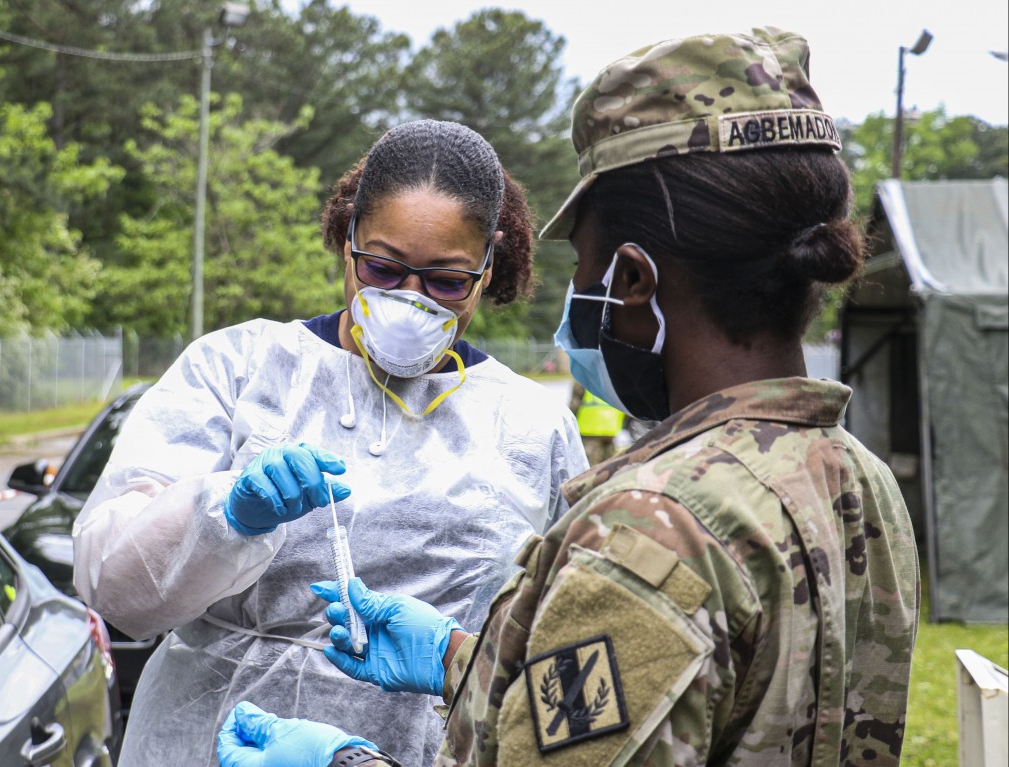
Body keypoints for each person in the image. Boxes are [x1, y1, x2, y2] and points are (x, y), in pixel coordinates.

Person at [217, 28, 919, 767]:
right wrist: (461, 658)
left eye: (583, 264)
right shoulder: (857, 482)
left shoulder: (654, 530)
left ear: (634, 281)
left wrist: (342, 764)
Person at [72, 119, 588, 766]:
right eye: (382, 267)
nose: (409, 300)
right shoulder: (240, 369)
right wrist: (222, 513)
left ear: (489, 267)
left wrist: (455, 656)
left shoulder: (531, 425)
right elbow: (114, 590)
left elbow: (570, 648)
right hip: (212, 742)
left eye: (446, 281)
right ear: (347, 241)